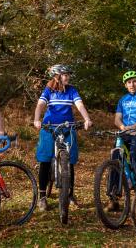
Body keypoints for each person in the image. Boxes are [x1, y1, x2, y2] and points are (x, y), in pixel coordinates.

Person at [33, 64, 93, 212]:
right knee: (45, 160)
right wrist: (36, 119)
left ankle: (70, 195)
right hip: (49, 127)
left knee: (70, 161)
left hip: (68, 127)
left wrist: (87, 119)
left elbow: (79, 105)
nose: (67, 77)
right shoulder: (49, 90)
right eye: (64, 74)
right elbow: (40, 105)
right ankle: (42, 197)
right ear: (56, 76)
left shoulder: (72, 90)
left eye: (68, 75)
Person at [105, 70, 136, 212]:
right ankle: (113, 197)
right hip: (124, 131)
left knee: (134, 157)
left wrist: (134, 126)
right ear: (125, 85)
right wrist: (122, 127)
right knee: (115, 159)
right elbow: (117, 118)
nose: (132, 84)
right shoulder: (123, 100)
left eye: (134, 81)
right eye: (129, 82)